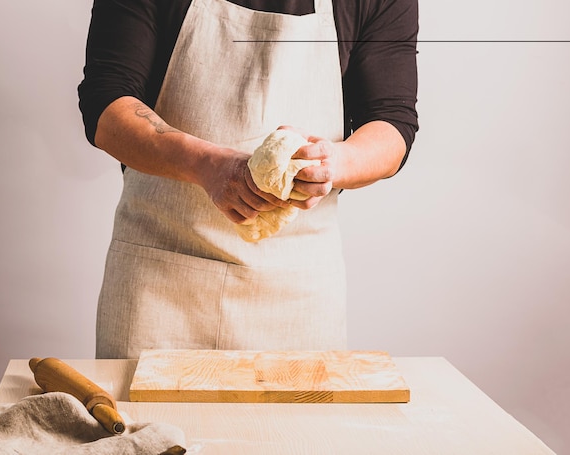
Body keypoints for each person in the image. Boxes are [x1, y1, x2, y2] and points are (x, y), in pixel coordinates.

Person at [78, 0, 419, 359]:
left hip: (297, 295)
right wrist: (205, 164)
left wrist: (333, 162)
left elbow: (392, 122)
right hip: (161, 285)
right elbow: (107, 104)